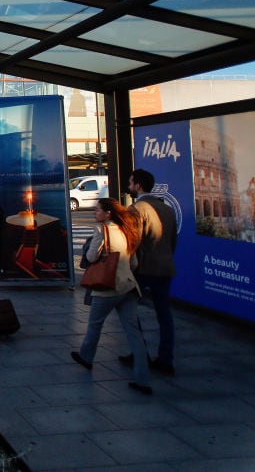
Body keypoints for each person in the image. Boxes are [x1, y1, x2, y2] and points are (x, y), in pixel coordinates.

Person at [71, 197, 152, 395]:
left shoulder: (101, 230)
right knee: (134, 333)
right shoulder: (127, 230)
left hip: (107, 287)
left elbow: (90, 257)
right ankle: (143, 378)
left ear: (108, 214)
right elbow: (133, 263)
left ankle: (87, 357)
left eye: (98, 210)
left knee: (95, 324)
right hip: (128, 285)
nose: (94, 213)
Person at [120, 168, 179, 376]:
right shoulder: (168, 209)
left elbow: (132, 242)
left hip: (143, 268)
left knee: (129, 310)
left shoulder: (136, 209)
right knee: (164, 314)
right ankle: (166, 358)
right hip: (165, 268)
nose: (128, 187)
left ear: (138, 186)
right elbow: (172, 241)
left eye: (130, 182)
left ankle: (139, 352)